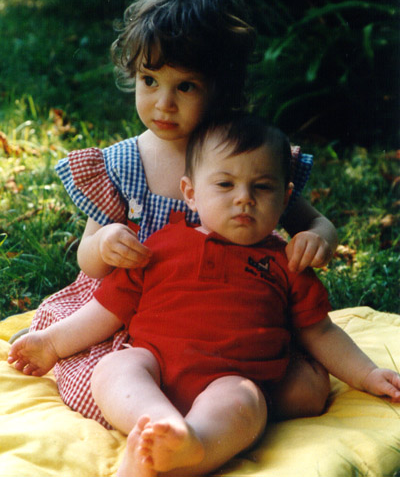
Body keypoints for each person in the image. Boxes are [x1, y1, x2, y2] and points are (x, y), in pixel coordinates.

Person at [9, 115, 400, 477]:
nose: (244, 198)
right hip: (156, 365)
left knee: (246, 405)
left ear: (285, 200)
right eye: (225, 184)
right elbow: (106, 310)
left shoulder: (286, 263)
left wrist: (367, 374)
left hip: (233, 378)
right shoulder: (158, 246)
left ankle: (186, 445)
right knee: (114, 368)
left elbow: (321, 332)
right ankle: (157, 423)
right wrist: (51, 343)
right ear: (191, 194)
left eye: (262, 187)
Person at [28, 0, 338, 428]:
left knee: (306, 389)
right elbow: (89, 260)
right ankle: (164, 418)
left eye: (186, 86)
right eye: (149, 80)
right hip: (135, 316)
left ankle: (217, 412)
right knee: (106, 377)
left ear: (222, 88)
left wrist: (318, 239)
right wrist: (107, 242)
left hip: (231, 321)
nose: (163, 103)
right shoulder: (124, 164)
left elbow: (314, 222)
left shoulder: (246, 160)